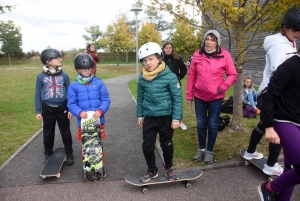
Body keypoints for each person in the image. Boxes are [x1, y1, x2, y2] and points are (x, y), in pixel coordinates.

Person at [243, 8, 300, 177]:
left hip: (270, 92)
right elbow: (280, 72)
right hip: (274, 95)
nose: (297, 34)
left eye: (299, 30)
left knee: (263, 125)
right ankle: (271, 164)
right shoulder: (278, 47)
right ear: (284, 28)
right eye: (294, 30)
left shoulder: (289, 41)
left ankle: (250, 151)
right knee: (278, 127)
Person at [186, 30, 237, 164]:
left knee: (213, 124)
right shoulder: (198, 54)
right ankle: (202, 149)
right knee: (201, 123)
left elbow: (232, 74)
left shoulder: (225, 55)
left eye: (212, 40)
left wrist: (222, 87)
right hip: (199, 96)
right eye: (207, 39)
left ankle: (209, 151)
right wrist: (189, 95)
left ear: (217, 42)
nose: (209, 42)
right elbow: (191, 76)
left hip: (216, 97)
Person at [257, 50, 300, 201]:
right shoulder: (290, 65)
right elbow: (268, 95)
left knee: (292, 167)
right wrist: (268, 127)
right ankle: (269, 188)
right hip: (284, 121)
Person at [137, 42, 183, 182]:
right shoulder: (142, 77)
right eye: (145, 60)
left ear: (159, 58)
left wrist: (176, 118)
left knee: (166, 143)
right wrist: (140, 114)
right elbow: (140, 98)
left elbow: (177, 99)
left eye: (151, 59)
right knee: (147, 145)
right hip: (150, 116)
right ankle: (152, 169)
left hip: (166, 116)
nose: (148, 63)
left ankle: (169, 168)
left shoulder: (170, 76)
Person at [34, 48, 74, 165]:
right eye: (57, 58)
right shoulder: (40, 77)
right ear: (48, 61)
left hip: (63, 107)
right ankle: (48, 153)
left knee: (65, 132)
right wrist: (38, 110)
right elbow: (37, 94)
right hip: (47, 107)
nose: (60, 59)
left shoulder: (64, 76)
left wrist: (70, 108)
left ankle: (69, 152)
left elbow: (70, 93)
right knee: (48, 132)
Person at [67, 53, 111, 144]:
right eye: (84, 69)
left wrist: (100, 111)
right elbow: (71, 103)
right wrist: (79, 112)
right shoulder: (73, 86)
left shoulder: (98, 82)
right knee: (86, 146)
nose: (88, 71)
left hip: (98, 119)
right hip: (84, 121)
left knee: (97, 145)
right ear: (78, 69)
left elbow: (106, 99)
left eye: (89, 68)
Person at [162, 41, 188, 130]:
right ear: (163, 49)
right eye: (166, 48)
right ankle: (167, 120)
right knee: (166, 102)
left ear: (172, 48)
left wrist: (179, 77)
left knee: (177, 102)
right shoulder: (160, 59)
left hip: (176, 84)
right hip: (164, 85)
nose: (168, 49)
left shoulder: (177, 58)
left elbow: (184, 69)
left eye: (170, 47)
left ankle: (180, 121)